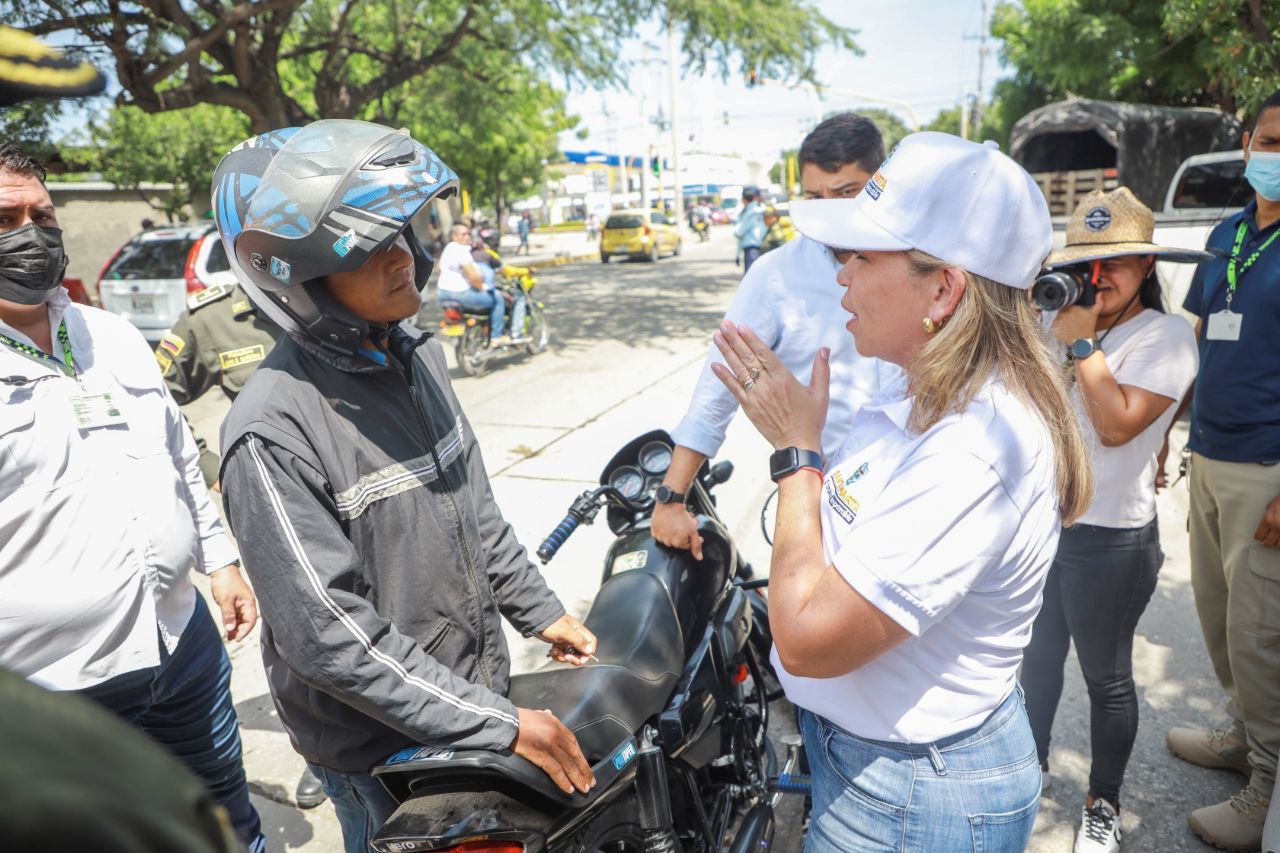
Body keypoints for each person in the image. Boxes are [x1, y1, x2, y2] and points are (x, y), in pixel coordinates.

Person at [210, 120, 598, 853]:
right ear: (300, 278)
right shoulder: (270, 431)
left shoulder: (414, 357)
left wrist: (541, 612)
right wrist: (503, 725)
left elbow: (474, 510)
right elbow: (329, 635)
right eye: (371, 246)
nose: (408, 257)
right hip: (379, 753)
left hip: (468, 706)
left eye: (408, 231)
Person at [713, 131, 1092, 850]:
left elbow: (806, 640)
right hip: (876, 761)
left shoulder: (975, 447)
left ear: (943, 289)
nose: (842, 276)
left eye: (860, 256)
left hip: (915, 794)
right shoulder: (916, 384)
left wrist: (798, 455)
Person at [0, 142, 265, 852]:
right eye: (6, 218)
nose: (32, 233)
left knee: (227, 825)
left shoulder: (110, 336)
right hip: (56, 688)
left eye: (43, 215)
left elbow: (177, 451)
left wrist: (220, 560)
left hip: (183, 648)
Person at [1018, 188, 1205, 852]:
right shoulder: (1053, 317)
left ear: (1147, 265)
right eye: (1090, 261)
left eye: (1119, 260)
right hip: (1046, 526)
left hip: (1114, 538)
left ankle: (1104, 802)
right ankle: (1028, 767)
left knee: (1106, 674)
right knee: (1037, 657)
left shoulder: (1168, 335)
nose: (1102, 275)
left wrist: (1084, 343)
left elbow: (1119, 424)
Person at [655, 112, 894, 557]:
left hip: (916, 499)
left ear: (881, 182)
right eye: (813, 197)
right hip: (823, 507)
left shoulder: (921, 263)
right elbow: (716, 388)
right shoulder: (776, 276)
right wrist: (671, 496)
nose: (830, 210)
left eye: (847, 193)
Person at [154, 284, 328, 809]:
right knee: (304, 631)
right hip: (280, 506)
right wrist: (213, 471)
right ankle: (323, 752)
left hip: (369, 488)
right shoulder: (210, 319)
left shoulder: (340, 285)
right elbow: (154, 399)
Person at [1167, 87, 1280, 852]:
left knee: (1262, 632)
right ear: (1246, 143)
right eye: (1271, 140)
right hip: (1209, 453)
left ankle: (1267, 789)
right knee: (1218, 616)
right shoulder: (1229, 233)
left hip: (1268, 470)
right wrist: (1170, 437)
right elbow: (1199, 339)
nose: (1277, 157)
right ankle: (1242, 734)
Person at [436, 221, 509, 346]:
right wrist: (482, 287)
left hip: (442, 294)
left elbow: (439, 268)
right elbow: (473, 276)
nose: (467, 237)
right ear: (454, 236)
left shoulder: (448, 248)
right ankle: (496, 336)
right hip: (460, 294)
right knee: (497, 297)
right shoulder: (461, 250)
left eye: (468, 234)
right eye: (463, 234)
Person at [734, 188, 767, 272]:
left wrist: (736, 231)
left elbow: (739, 232)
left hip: (752, 249)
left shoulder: (750, 213)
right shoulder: (758, 209)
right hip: (758, 247)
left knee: (751, 277)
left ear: (744, 199)